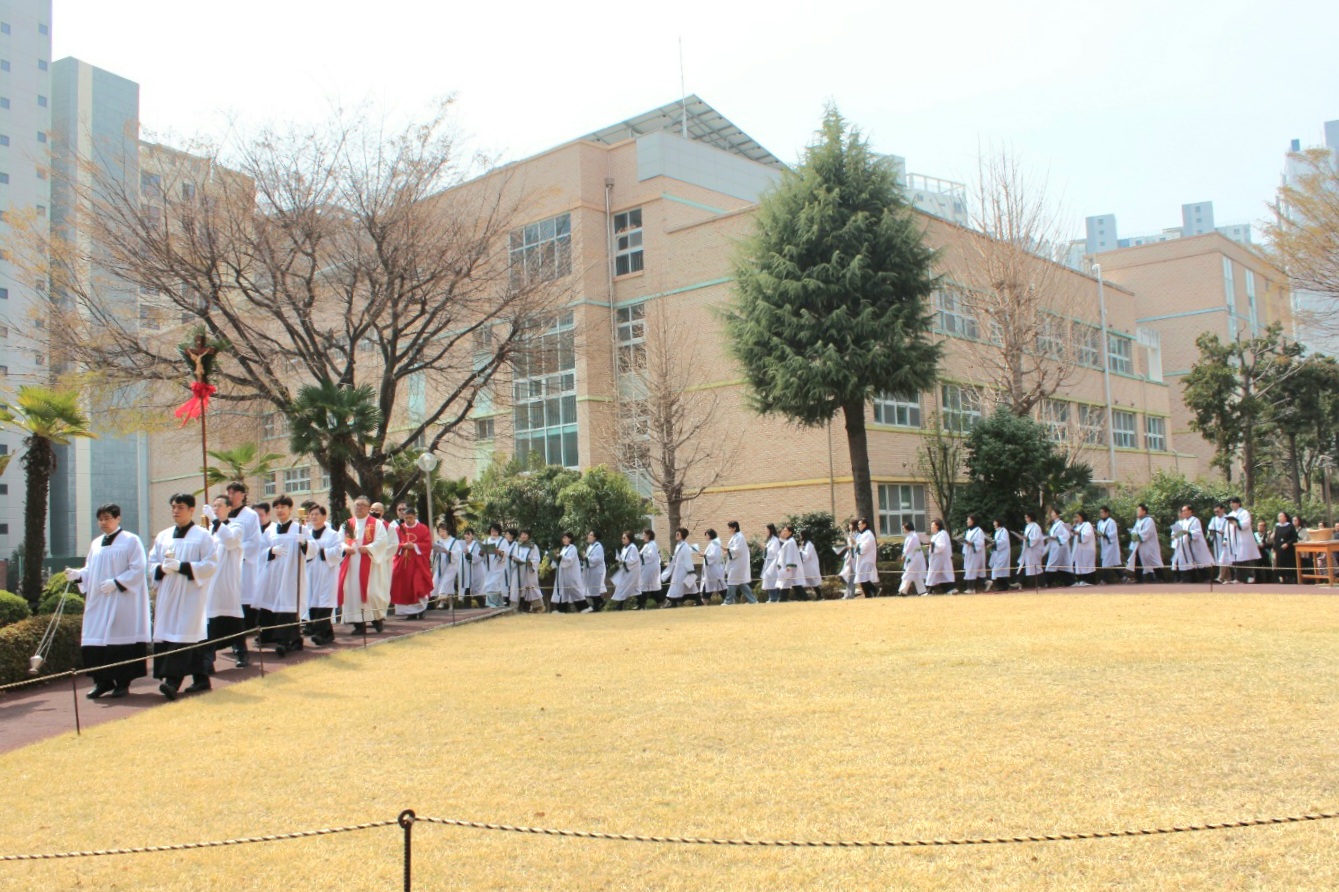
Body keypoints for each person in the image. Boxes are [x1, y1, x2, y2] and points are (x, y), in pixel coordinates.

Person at [66, 503, 149, 699]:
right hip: (98, 601)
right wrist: (78, 575)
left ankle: (122, 683)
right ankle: (102, 682)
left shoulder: (131, 540)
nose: (103, 522)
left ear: (118, 518)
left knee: (119, 643)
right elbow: (90, 570)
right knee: (94, 641)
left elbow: (138, 568)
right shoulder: (96, 544)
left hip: (122, 600)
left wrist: (117, 582)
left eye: (108, 518)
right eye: (100, 519)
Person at [148, 493, 220, 700]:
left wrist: (182, 566)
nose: (175, 511)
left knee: (184, 634)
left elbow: (210, 565)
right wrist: (160, 568)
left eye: (180, 507)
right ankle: (201, 678)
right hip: (168, 594)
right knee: (178, 634)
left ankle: (172, 682)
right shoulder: (163, 536)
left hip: (190, 594)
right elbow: (151, 562)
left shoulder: (203, 536)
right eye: (173, 507)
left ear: (191, 510)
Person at [254, 495, 314, 656]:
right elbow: (260, 550)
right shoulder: (270, 530)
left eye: (283, 507)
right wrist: (270, 551)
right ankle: (274, 636)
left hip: (291, 574)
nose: (280, 510)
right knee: (271, 604)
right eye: (277, 508)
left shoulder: (300, 529)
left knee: (288, 605)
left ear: (290, 509)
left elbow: (313, 549)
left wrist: (305, 543)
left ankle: (285, 640)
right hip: (273, 574)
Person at [202, 495, 247, 670]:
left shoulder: (236, 527)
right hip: (211, 581)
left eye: (219, 505)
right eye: (214, 506)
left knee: (233, 617)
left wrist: (214, 520)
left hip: (227, 580)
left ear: (229, 508)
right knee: (211, 620)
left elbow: (230, 542)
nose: (215, 509)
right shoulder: (209, 532)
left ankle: (241, 652)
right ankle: (208, 658)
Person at [338, 496, 393, 634]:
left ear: (368, 508)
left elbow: (382, 541)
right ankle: (359, 625)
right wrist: (345, 548)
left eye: (362, 505)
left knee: (372, 593)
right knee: (353, 593)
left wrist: (369, 548)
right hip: (352, 564)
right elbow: (339, 541)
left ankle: (376, 619)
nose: (359, 507)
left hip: (371, 565)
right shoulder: (348, 524)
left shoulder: (376, 524)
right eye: (357, 504)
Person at [226, 482, 263, 665]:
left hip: (243, 567)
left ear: (242, 495)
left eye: (234, 492)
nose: (231, 496)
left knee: (242, 608)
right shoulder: (223, 514)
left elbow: (255, 541)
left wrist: (236, 549)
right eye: (228, 492)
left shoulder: (250, 516)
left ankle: (240, 643)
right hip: (225, 568)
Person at [305, 505, 343, 646]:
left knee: (325, 603)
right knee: (312, 601)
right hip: (311, 572)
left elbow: (338, 552)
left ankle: (320, 634)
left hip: (327, 572)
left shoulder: (332, 534)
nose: (314, 517)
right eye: (312, 514)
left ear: (324, 517)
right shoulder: (307, 534)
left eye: (317, 514)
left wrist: (322, 552)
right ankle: (327, 634)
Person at [390, 507, 433, 619]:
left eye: (410, 518)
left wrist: (414, 546)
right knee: (403, 586)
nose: (408, 520)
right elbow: (393, 544)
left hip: (418, 563)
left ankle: (421, 609)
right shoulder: (399, 529)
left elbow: (427, 544)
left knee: (418, 585)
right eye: (406, 518)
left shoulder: (422, 528)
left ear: (415, 517)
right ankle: (410, 613)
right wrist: (402, 546)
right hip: (403, 563)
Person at [1171, 505, 1213, 584]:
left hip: (1195, 545)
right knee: (1188, 561)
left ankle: (1206, 578)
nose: (1183, 512)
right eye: (1182, 511)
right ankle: (1190, 579)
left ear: (1190, 511)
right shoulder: (1182, 522)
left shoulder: (1195, 520)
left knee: (1199, 561)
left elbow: (1198, 532)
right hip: (1185, 546)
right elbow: (1177, 533)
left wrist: (1188, 533)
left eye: (1185, 510)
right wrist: (1175, 536)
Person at [661, 527, 701, 607]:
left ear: (682, 535)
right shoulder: (679, 545)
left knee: (682, 585)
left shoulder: (685, 546)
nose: (676, 535)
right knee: (687, 586)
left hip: (684, 571)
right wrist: (672, 558)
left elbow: (687, 559)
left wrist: (690, 571)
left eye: (678, 534)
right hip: (678, 570)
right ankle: (675, 602)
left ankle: (674, 602)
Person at [1126, 503, 1163, 583]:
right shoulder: (1138, 520)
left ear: (1144, 511)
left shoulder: (1149, 520)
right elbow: (1134, 530)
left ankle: (1160, 578)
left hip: (1148, 546)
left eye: (1139, 510)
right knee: (1138, 561)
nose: (1137, 512)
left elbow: (1147, 532)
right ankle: (1139, 579)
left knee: (1152, 561)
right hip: (1139, 546)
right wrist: (1133, 533)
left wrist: (1138, 535)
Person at [509, 530, 545, 612]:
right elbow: (514, 557)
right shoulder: (517, 546)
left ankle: (538, 607)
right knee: (516, 588)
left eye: (525, 534)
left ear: (528, 536)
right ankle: (514, 608)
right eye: (522, 534)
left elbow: (536, 559)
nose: (523, 536)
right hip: (518, 570)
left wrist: (531, 563)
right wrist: (515, 561)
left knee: (531, 588)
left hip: (528, 571)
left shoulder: (533, 546)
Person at [1228, 498, 1262, 583]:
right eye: (1231, 503)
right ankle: (1237, 578)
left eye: (1233, 503)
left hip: (1243, 539)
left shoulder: (1244, 513)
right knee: (1236, 559)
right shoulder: (1230, 514)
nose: (1232, 505)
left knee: (1245, 558)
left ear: (1238, 503)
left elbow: (1246, 524)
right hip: (1234, 540)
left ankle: (1249, 576)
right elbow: (1227, 528)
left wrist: (1237, 523)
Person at [553, 532, 586, 613]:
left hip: (571, 574)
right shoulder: (564, 549)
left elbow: (570, 560)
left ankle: (584, 608)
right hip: (564, 574)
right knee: (564, 592)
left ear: (570, 539)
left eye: (565, 538)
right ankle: (561, 610)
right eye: (563, 538)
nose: (563, 540)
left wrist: (560, 557)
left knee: (575, 592)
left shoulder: (573, 548)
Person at [723, 521, 755, 604]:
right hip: (736, 563)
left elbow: (738, 550)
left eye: (730, 528)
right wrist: (728, 551)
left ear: (734, 528)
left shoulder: (739, 537)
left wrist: (728, 550)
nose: (729, 530)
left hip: (738, 563)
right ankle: (753, 601)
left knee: (731, 581)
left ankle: (728, 601)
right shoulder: (735, 536)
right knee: (741, 583)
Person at [609, 531, 642, 611]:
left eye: (624, 538)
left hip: (632, 571)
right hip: (626, 571)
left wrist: (624, 562)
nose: (622, 539)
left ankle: (620, 605)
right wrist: (620, 560)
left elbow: (635, 559)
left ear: (629, 538)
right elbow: (623, 558)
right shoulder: (624, 548)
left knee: (625, 587)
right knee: (628, 588)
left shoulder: (633, 547)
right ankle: (640, 604)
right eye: (622, 538)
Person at [432, 521, 462, 607]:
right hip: (440, 567)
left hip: (450, 567)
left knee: (445, 583)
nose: (441, 533)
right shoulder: (438, 542)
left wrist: (448, 552)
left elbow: (458, 553)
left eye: (443, 531)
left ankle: (444, 603)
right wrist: (434, 552)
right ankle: (445, 603)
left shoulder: (454, 541)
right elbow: (432, 555)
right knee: (436, 582)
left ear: (448, 531)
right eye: (440, 531)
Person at [481, 524, 508, 609]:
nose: (494, 533)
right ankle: (500, 603)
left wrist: (499, 552)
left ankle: (491, 603)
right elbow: (481, 554)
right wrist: (481, 552)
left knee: (493, 583)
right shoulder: (486, 541)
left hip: (498, 566)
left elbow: (506, 553)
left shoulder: (503, 541)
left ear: (499, 532)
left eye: (496, 531)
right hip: (488, 567)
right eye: (492, 531)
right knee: (493, 584)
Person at [898, 522, 928, 596]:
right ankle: (922, 592)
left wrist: (904, 555)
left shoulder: (913, 536)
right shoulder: (910, 536)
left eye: (904, 528)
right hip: (912, 557)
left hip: (914, 557)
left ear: (908, 528)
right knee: (916, 575)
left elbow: (909, 547)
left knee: (908, 573)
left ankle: (903, 591)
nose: (903, 530)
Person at [1044, 508, 1072, 588]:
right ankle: (1067, 582)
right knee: (1058, 564)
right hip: (1054, 547)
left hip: (1058, 547)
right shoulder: (1054, 525)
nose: (1051, 514)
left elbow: (1067, 535)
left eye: (1053, 513)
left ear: (1057, 515)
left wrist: (1056, 537)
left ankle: (1048, 582)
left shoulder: (1062, 524)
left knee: (1052, 564)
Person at [638, 529, 664, 609]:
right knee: (650, 587)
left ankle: (642, 605)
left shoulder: (652, 545)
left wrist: (641, 555)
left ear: (648, 535)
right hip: (646, 568)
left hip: (650, 569)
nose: (643, 537)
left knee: (645, 586)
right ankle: (659, 603)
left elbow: (651, 556)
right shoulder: (647, 545)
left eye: (644, 535)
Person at [926, 520, 954, 594]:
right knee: (940, 576)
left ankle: (929, 591)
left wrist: (932, 544)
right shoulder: (935, 535)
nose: (931, 527)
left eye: (933, 525)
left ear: (937, 526)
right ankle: (949, 590)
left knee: (934, 575)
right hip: (935, 559)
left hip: (940, 559)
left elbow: (942, 546)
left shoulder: (942, 534)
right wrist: (930, 546)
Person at [1096, 507, 1122, 586]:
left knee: (1106, 563)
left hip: (1110, 545)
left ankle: (1104, 580)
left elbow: (1113, 533)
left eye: (1102, 512)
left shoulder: (1111, 522)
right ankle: (1123, 577)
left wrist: (1105, 535)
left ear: (1107, 513)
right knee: (1111, 563)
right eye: (1100, 512)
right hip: (1104, 545)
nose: (1101, 514)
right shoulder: (1100, 522)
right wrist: (1098, 535)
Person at [778, 524, 804, 602]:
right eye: (783, 530)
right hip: (787, 566)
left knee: (788, 582)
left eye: (785, 531)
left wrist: (789, 565)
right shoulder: (788, 541)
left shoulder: (791, 542)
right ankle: (804, 598)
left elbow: (790, 554)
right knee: (794, 583)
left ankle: (783, 599)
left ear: (790, 532)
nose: (784, 532)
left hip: (790, 566)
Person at [855, 518, 880, 598]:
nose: (858, 526)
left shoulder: (868, 534)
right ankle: (868, 594)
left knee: (863, 578)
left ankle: (874, 590)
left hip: (867, 559)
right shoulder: (864, 534)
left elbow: (865, 546)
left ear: (865, 524)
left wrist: (857, 546)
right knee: (862, 577)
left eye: (860, 524)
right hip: (863, 559)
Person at [700, 529, 727, 604]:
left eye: (706, 535)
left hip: (714, 570)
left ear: (710, 535)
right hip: (711, 571)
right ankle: (704, 601)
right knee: (708, 586)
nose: (706, 537)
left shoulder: (715, 544)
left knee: (720, 587)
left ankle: (729, 600)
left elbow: (713, 556)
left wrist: (704, 555)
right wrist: (705, 555)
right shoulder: (712, 544)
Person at [1071, 511, 1096, 587]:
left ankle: (1088, 581)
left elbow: (1087, 535)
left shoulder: (1087, 524)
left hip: (1087, 550)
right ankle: (1081, 580)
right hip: (1080, 550)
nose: (1077, 518)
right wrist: (1073, 526)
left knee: (1087, 565)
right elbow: (1072, 534)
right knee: (1079, 565)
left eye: (1078, 517)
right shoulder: (1078, 526)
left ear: (1082, 517)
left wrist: (1078, 533)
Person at [962, 515, 986, 594]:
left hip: (975, 554)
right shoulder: (968, 531)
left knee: (972, 570)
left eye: (968, 520)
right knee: (968, 570)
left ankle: (972, 588)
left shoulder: (978, 531)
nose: (967, 521)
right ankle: (969, 588)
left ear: (973, 521)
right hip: (968, 553)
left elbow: (980, 542)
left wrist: (971, 543)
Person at [584, 531, 608, 612]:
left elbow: (597, 559)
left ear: (595, 537)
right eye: (588, 535)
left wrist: (586, 558)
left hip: (596, 571)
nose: (588, 536)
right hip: (590, 571)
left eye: (590, 535)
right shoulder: (590, 547)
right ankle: (600, 602)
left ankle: (597, 606)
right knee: (591, 589)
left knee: (594, 589)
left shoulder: (598, 547)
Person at [1207, 505, 1232, 583]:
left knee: (1223, 559)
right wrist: (1211, 533)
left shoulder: (1228, 518)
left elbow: (1230, 530)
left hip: (1225, 542)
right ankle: (1228, 578)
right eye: (1215, 512)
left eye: (1218, 511)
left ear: (1223, 510)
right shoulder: (1214, 519)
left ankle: (1220, 577)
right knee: (1220, 560)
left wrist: (1224, 533)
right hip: (1217, 542)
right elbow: (1210, 528)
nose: (1216, 513)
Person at [1019, 512, 1044, 589]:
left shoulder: (1036, 527)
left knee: (1036, 566)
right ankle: (1031, 584)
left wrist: (1028, 539)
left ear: (1031, 517)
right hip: (1029, 549)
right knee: (1029, 566)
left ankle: (1041, 584)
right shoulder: (1028, 526)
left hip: (1035, 549)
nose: (1025, 519)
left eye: (1027, 517)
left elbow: (1036, 538)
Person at [459, 529, 482, 608]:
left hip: (473, 571)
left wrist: (468, 554)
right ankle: (467, 606)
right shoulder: (462, 545)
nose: (466, 536)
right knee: (467, 589)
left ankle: (482, 605)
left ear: (472, 535)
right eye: (465, 534)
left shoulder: (476, 544)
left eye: (468, 534)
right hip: (464, 571)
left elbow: (479, 557)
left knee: (474, 590)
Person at [1273, 512, 1299, 584]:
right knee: (1280, 564)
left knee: (1289, 564)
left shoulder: (1290, 526)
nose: (1279, 518)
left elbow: (1294, 537)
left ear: (1285, 518)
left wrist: (1287, 543)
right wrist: (1274, 548)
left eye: (1281, 516)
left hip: (1288, 550)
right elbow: (1276, 538)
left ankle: (1290, 578)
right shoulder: (1277, 527)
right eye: (1278, 516)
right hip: (1279, 549)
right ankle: (1282, 578)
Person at [760, 524, 783, 603]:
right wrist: (765, 548)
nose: (765, 531)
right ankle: (772, 597)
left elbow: (774, 551)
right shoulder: (771, 540)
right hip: (769, 562)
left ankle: (773, 598)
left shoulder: (775, 540)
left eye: (766, 530)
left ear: (771, 530)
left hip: (773, 562)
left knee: (772, 580)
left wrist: (765, 548)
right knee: (769, 580)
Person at [987, 518, 1011, 592]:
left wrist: (994, 542)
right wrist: (992, 542)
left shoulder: (1004, 531)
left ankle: (1003, 586)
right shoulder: (997, 532)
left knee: (999, 569)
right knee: (997, 569)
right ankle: (1002, 585)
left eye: (995, 522)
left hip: (1003, 553)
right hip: (998, 553)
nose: (993, 524)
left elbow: (1004, 542)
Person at [798, 530, 823, 600]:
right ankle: (804, 596)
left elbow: (806, 555)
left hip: (810, 565)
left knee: (812, 581)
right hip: (806, 566)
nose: (800, 537)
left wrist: (798, 553)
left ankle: (819, 595)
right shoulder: (804, 543)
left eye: (801, 535)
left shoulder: (809, 544)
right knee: (807, 581)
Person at [838, 520, 859, 599]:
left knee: (852, 575)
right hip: (850, 556)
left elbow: (856, 544)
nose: (849, 526)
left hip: (854, 556)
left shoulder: (857, 534)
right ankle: (848, 594)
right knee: (849, 575)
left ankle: (849, 595)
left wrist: (850, 545)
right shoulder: (851, 533)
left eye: (850, 525)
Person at [1255, 520, 1273, 585]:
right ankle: (1258, 581)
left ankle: (1269, 581)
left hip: (1266, 553)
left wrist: (1264, 545)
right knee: (1257, 568)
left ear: (1264, 527)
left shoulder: (1268, 534)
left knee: (1267, 567)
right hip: (1257, 553)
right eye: (1259, 525)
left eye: (1261, 525)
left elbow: (1271, 544)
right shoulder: (1254, 535)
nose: (1260, 527)